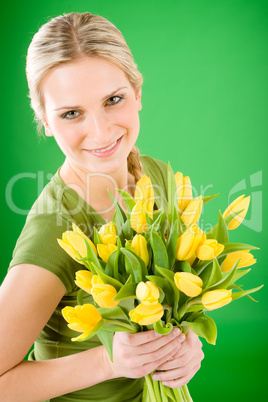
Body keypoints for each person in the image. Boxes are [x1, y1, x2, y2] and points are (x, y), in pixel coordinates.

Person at [0, 12, 204, 401]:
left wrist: (184, 346)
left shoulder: (158, 177)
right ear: (43, 119)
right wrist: (107, 362)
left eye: (113, 100)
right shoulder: (56, 228)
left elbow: (170, 305)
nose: (101, 132)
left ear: (137, 91)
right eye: (71, 113)